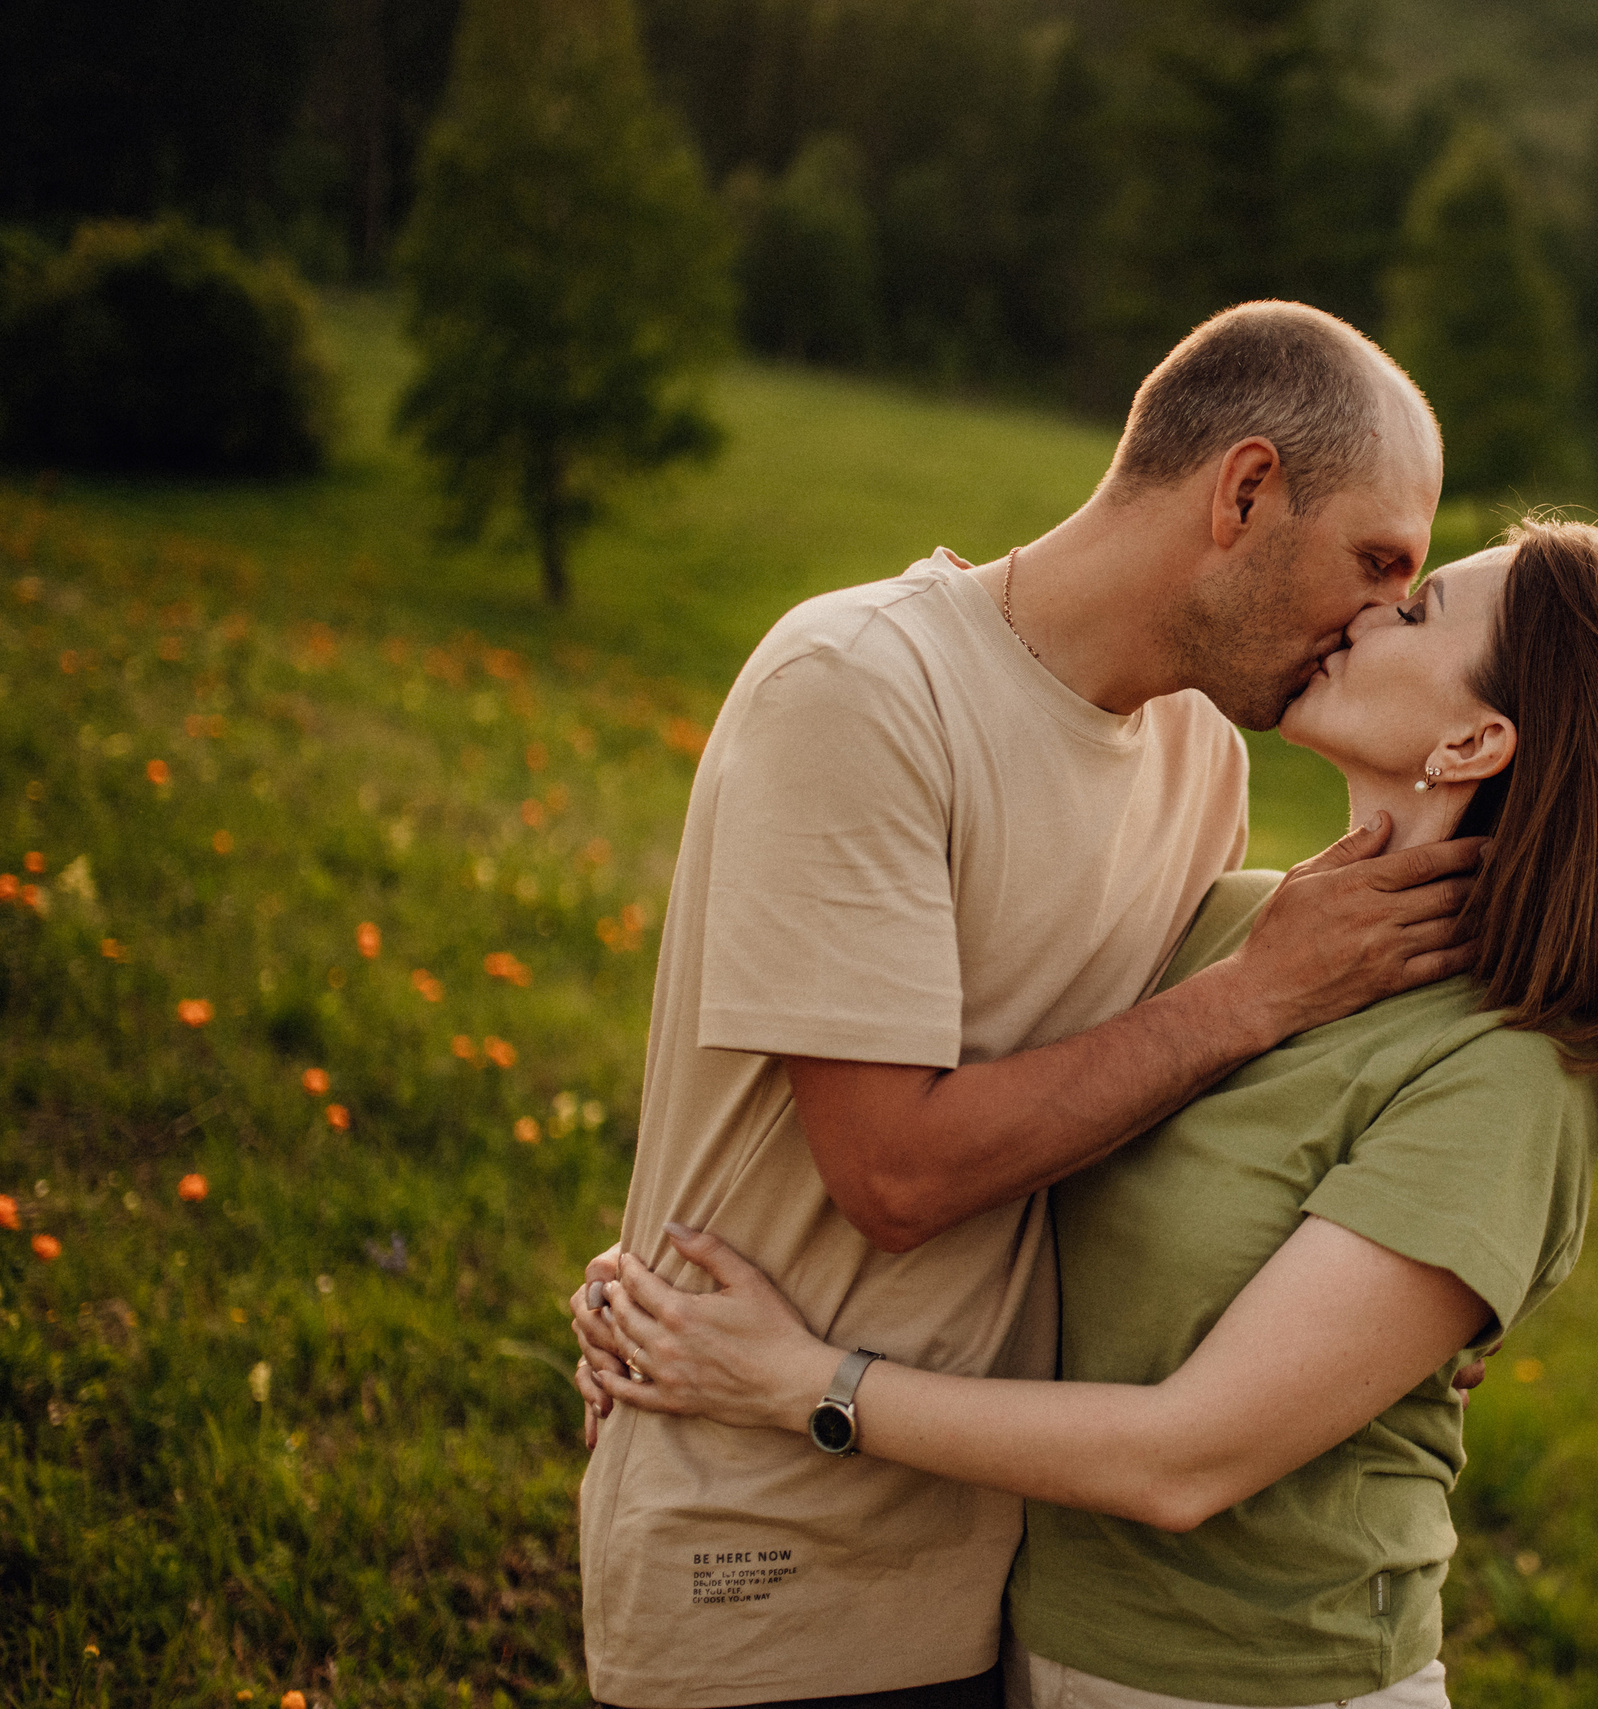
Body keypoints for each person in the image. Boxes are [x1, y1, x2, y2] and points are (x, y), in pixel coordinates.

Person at [573, 519, 1598, 1709]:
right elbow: (983, 1132)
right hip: (1025, 1645)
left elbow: (1181, 1460)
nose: (1365, 612)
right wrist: (671, 1288)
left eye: (1414, 611)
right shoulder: (1230, 935)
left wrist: (798, 1380)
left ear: (1472, 741)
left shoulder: (1500, 1073)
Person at [577, 300, 1490, 1709]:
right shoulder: (863, 687)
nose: (1373, 620)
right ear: (1245, 491)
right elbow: (893, 1174)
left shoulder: (1197, 755)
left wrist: (1411, 1304)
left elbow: (1137, 1115)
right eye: (1376, 563)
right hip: (766, 1557)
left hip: (1006, 1568)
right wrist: (1253, 994)